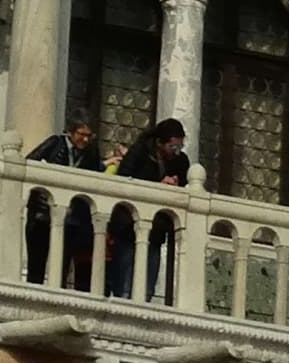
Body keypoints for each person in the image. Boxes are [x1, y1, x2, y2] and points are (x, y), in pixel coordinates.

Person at [114, 118, 190, 300]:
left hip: (156, 230)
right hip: (129, 228)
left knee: (147, 288)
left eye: (179, 147)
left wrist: (175, 184)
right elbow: (124, 181)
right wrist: (157, 185)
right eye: (172, 147)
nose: (176, 152)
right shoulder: (139, 153)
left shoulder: (181, 161)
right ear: (159, 143)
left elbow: (184, 184)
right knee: (124, 286)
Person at [24, 119, 101, 288]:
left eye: (90, 136)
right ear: (70, 132)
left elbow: (97, 176)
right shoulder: (55, 143)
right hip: (43, 215)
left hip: (71, 219)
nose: (85, 140)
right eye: (82, 134)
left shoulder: (92, 152)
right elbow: (29, 162)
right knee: (36, 264)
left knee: (61, 269)